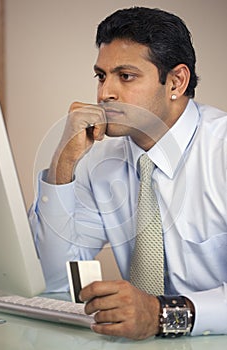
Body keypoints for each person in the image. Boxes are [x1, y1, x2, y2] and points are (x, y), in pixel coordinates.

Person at [29, 7, 227, 340]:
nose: (105, 92)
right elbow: (55, 282)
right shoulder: (100, 159)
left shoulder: (220, 152)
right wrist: (64, 162)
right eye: (101, 75)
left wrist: (161, 314)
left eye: (126, 76)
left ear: (176, 81)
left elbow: (153, 315)